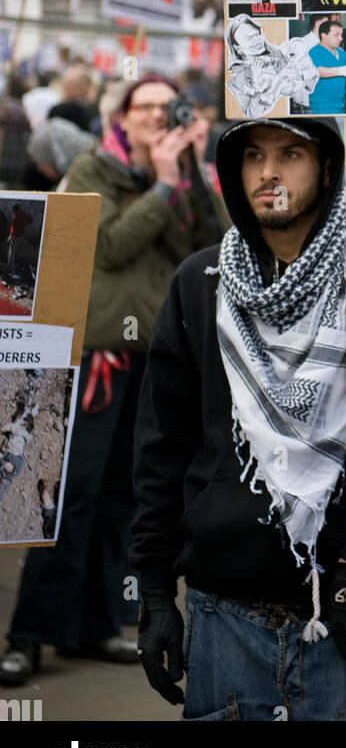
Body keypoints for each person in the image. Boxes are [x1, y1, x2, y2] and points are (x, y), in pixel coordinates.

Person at [131, 117, 346, 721]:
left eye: (290, 154)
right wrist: (153, 592)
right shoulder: (199, 283)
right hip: (219, 620)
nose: (269, 172)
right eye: (252, 156)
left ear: (329, 168)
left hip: (341, 621)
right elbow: (161, 447)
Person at [0, 76, 227, 685]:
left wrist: (195, 169)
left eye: (167, 106)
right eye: (145, 106)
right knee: (67, 496)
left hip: (157, 360)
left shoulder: (181, 174)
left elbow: (212, 246)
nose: (158, 115)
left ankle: (100, 625)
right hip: (97, 357)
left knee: (127, 501)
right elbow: (112, 247)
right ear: (121, 117)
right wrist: (159, 183)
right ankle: (29, 634)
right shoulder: (92, 168)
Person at [225, 15, 319, 120]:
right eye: (249, 38)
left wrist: (298, 69)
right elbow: (251, 114)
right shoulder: (237, 81)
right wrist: (256, 84)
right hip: (266, 126)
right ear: (237, 48)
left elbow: (310, 83)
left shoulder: (281, 53)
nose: (257, 40)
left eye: (257, 34)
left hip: (301, 112)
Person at [308, 20, 346, 116]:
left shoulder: (338, 51)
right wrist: (341, 71)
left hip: (340, 104)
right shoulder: (314, 52)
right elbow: (317, 71)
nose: (341, 38)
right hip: (322, 106)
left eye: (341, 35)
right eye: (336, 35)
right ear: (323, 35)